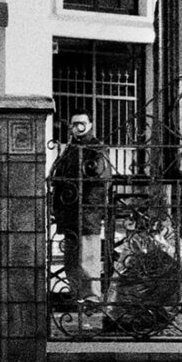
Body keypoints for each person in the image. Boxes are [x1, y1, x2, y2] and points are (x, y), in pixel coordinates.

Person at [49, 112, 111, 309]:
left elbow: (100, 181)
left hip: (86, 214)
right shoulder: (70, 149)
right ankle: (78, 296)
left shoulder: (96, 148)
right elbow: (58, 179)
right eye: (74, 124)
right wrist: (57, 207)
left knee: (88, 259)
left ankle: (91, 298)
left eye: (81, 123)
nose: (77, 128)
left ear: (90, 124)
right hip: (68, 214)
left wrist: (88, 207)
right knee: (72, 259)